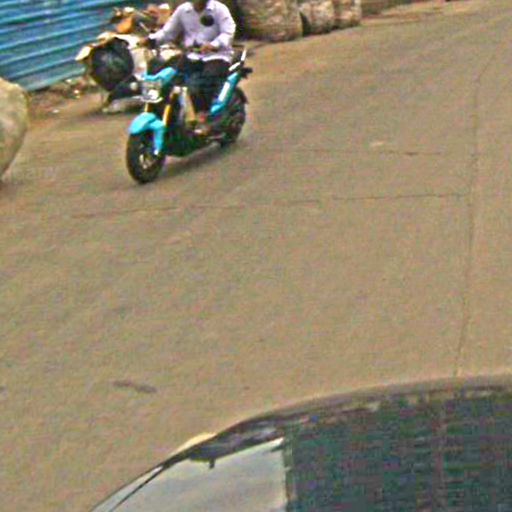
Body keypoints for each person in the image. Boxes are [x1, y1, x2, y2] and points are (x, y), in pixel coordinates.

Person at [146, 0, 236, 134]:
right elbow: (168, 32)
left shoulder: (219, 9)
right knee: (168, 75)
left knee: (203, 82)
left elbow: (228, 32)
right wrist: (151, 40)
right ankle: (171, 112)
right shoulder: (183, 10)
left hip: (217, 56)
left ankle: (203, 116)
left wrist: (214, 44)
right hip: (191, 55)